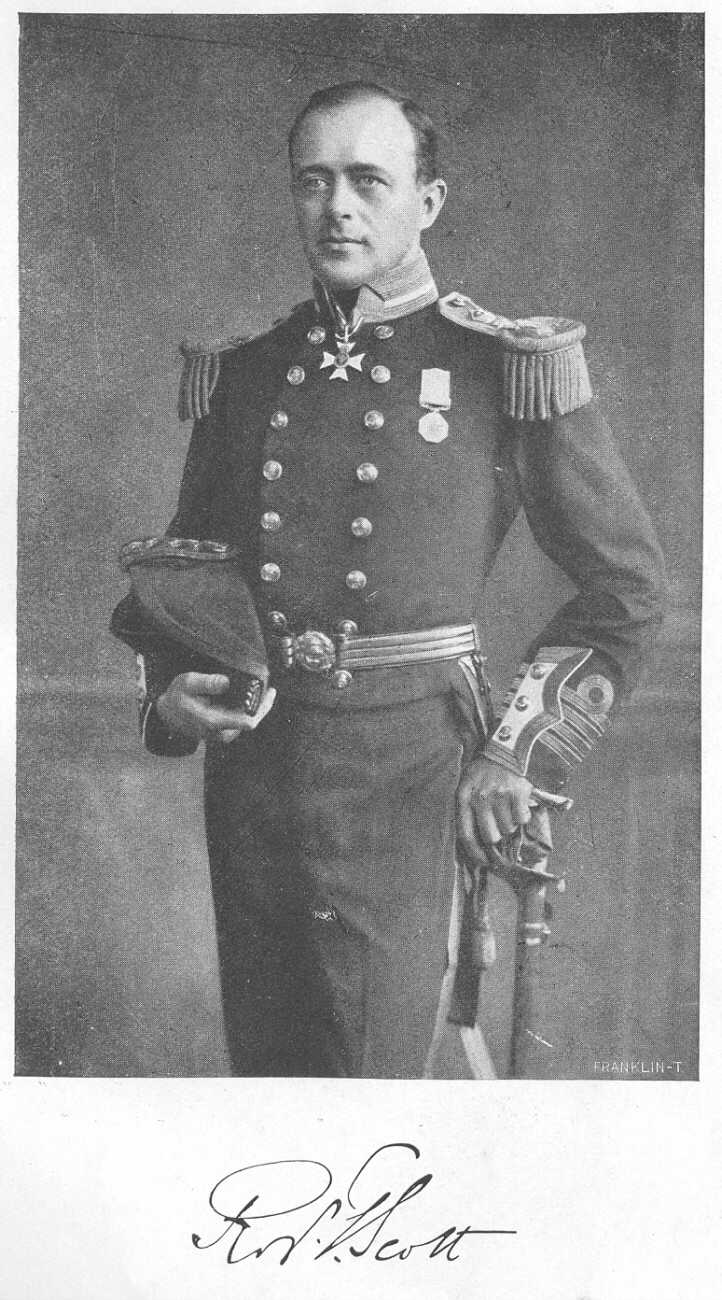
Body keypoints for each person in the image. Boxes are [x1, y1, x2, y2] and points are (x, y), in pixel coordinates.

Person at [127, 82, 666, 1078]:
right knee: (270, 1085)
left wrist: (517, 753)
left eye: (368, 181)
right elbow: (186, 574)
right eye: (314, 182)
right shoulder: (247, 371)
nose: (337, 207)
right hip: (255, 776)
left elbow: (626, 588)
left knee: (370, 1082)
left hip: (410, 772)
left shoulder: (501, 365)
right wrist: (169, 691)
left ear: (428, 201)